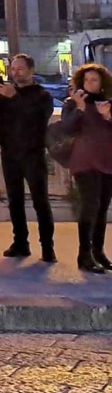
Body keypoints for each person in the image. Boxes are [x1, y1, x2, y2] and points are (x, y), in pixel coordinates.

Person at [0, 54, 58, 262]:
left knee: (40, 201)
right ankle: (20, 243)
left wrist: (14, 97)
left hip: (33, 154)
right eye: (13, 69)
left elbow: (37, 116)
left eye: (20, 69)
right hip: (10, 153)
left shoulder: (42, 95)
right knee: (14, 201)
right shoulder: (8, 93)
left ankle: (48, 247)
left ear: (31, 71)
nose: (16, 73)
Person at [61, 63, 112, 274]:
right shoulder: (72, 103)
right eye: (86, 80)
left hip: (107, 161)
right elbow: (66, 128)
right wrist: (80, 109)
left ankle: (98, 252)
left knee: (102, 207)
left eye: (94, 80)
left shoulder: (108, 103)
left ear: (102, 83)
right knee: (90, 205)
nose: (90, 84)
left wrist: (107, 116)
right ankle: (84, 255)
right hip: (84, 161)